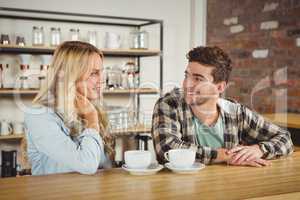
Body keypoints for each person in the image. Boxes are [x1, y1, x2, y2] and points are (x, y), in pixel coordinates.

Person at [151, 46, 293, 167]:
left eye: (198, 79)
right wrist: (225, 156)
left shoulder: (236, 112)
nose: (187, 84)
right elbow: (167, 149)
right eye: (186, 75)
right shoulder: (169, 104)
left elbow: (285, 138)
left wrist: (259, 149)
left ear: (219, 87)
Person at [25, 41, 115, 175]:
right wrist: (92, 119)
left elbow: (104, 167)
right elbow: (87, 165)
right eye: (94, 73)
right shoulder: (40, 115)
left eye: (102, 72)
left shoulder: (93, 108)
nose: (102, 80)